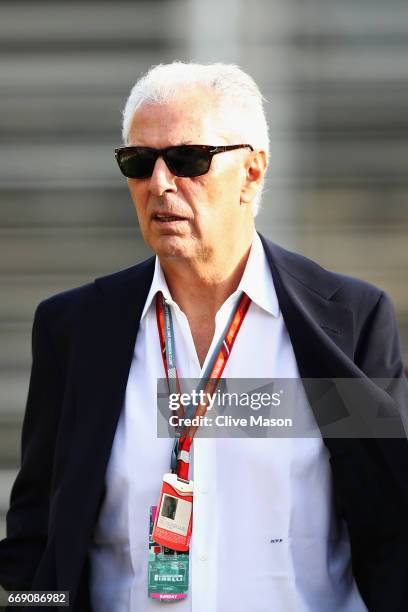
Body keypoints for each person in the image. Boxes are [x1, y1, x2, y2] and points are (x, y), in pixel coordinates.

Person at [0, 62, 407, 612]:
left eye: (189, 159)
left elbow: (395, 527)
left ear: (253, 171)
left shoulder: (349, 323)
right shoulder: (74, 332)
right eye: (139, 162)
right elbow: (36, 545)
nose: (160, 183)